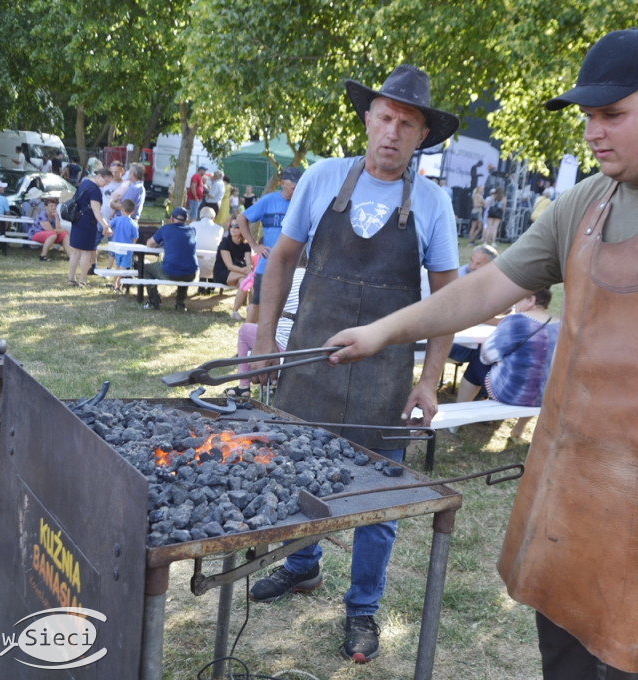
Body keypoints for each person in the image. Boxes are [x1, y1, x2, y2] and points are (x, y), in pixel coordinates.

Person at [322, 30, 638, 677]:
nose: (594, 131)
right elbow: (488, 287)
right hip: (566, 505)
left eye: (612, 113)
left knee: (637, 661)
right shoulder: (584, 203)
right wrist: (383, 332)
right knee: (561, 662)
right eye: (588, 116)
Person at [246, 64, 461, 664]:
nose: (392, 131)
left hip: (385, 381)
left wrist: (427, 381)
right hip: (311, 363)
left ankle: (362, 607)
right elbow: (282, 259)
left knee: (377, 502)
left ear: (421, 137)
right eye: (385, 117)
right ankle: (301, 565)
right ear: (367, 119)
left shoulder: (435, 205)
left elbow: (448, 302)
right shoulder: (320, 180)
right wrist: (267, 337)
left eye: (407, 123)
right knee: (297, 476)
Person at [456, 288, 559, 441]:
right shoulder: (560, 325)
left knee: (477, 362)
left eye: (518, 299)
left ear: (531, 300)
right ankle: (518, 430)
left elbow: (487, 354)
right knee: (539, 377)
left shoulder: (516, 321)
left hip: (510, 394)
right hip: (544, 396)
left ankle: (457, 420)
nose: (515, 304)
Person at [225, 265, 304, 399]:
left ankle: (243, 386)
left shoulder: (286, 276)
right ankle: (275, 384)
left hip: (279, 351)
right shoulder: (314, 281)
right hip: (302, 351)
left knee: (245, 330)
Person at [236, 166, 302, 324]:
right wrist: (254, 246)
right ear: (283, 183)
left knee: (285, 308)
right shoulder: (269, 200)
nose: (296, 191)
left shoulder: (301, 203)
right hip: (266, 266)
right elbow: (241, 219)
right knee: (257, 306)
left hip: (292, 267)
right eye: (294, 187)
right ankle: (247, 343)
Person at [143, 207, 197, 311]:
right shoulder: (193, 230)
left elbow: (149, 244)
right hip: (191, 274)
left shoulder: (166, 228)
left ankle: (153, 300)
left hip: (171, 272)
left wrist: (162, 242)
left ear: (172, 219)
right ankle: (180, 303)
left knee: (146, 268)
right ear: (186, 220)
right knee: (184, 267)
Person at [67, 167, 112, 286]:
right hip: (87, 223)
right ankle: (83, 280)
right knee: (86, 252)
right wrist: (105, 226)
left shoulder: (84, 183)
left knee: (76, 252)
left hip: (77, 220)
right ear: (99, 176)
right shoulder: (95, 191)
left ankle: (71, 279)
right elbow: (97, 212)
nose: (105, 185)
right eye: (105, 181)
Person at [212, 221, 253, 319]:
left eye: (237, 226)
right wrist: (246, 272)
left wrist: (248, 268)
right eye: (231, 226)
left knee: (244, 281)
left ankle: (236, 311)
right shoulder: (225, 242)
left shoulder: (245, 244)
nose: (233, 228)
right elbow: (229, 266)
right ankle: (252, 310)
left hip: (238, 272)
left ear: (243, 229)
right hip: (222, 272)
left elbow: (248, 262)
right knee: (248, 279)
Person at [107, 198, 139, 292]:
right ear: (132, 212)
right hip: (127, 249)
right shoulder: (133, 224)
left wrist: (108, 232)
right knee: (123, 268)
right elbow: (135, 237)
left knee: (118, 266)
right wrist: (132, 245)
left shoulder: (117, 219)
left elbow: (108, 226)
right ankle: (119, 286)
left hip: (117, 248)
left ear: (121, 209)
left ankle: (114, 284)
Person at [27, 197, 70, 261]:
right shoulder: (42, 215)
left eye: (55, 205)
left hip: (50, 234)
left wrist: (56, 217)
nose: (53, 207)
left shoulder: (55, 215)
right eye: (51, 206)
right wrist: (62, 230)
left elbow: (58, 229)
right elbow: (49, 230)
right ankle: (43, 256)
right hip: (36, 233)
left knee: (64, 234)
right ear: (46, 207)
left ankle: (70, 256)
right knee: (52, 234)